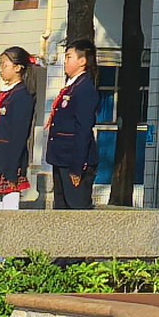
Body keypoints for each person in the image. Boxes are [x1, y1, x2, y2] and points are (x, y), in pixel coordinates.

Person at [41, 32, 103, 209]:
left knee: (76, 208)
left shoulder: (84, 88)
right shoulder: (71, 86)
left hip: (74, 159)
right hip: (61, 158)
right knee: (61, 209)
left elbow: (83, 129)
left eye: (69, 57)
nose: (65, 62)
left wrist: (77, 167)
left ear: (82, 61)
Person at [0, 45, 39, 204]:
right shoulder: (3, 94)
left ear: (18, 68)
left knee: (9, 204)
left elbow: (19, 134)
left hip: (9, 159)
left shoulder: (22, 95)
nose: (1, 69)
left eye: (5, 65)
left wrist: (12, 168)